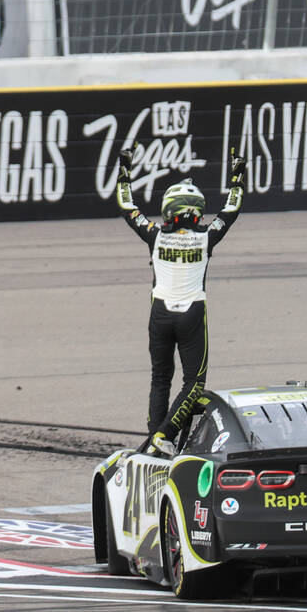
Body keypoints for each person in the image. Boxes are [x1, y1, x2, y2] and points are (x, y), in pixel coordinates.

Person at [114, 148, 246, 456]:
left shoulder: (154, 234)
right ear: (197, 210)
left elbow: (126, 205)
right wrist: (238, 175)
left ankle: (153, 442)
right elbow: (231, 210)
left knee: (160, 377)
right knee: (194, 382)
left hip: (159, 314)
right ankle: (165, 434)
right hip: (191, 315)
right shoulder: (207, 236)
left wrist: (124, 169)